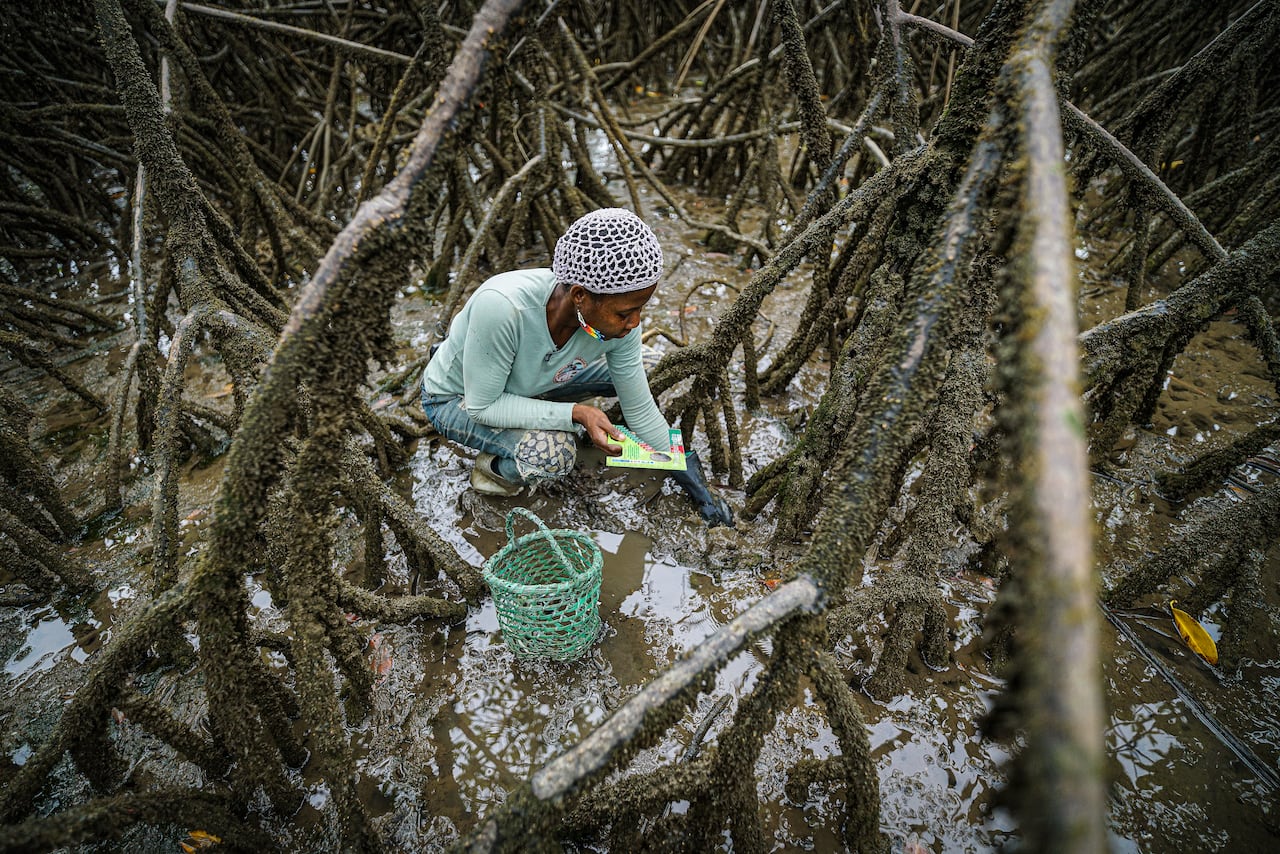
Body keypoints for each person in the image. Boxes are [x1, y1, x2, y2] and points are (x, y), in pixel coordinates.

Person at [420, 208, 733, 526]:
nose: (634, 323)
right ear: (580, 296)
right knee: (554, 454)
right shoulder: (503, 307)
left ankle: (537, 412)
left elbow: (639, 411)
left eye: (640, 308)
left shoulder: (615, 322)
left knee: (652, 364)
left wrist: (695, 483)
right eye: (625, 313)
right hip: (460, 398)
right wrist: (577, 413)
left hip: (537, 381)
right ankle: (492, 472)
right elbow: (482, 406)